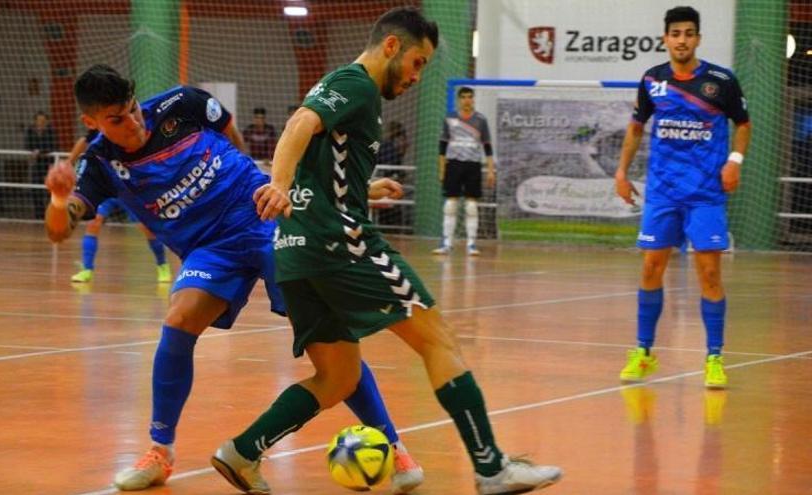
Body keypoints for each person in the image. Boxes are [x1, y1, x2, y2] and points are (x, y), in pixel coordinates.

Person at [220, 7, 562, 495]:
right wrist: (278, 181)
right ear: (391, 47)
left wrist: (364, 187)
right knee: (438, 340)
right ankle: (492, 468)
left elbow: (324, 158)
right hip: (340, 245)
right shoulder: (356, 82)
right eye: (419, 62)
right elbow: (300, 122)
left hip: (296, 254)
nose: (418, 76)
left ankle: (242, 451)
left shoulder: (356, 97)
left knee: (337, 378)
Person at [44, 64, 423, 493]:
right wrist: (59, 199)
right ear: (90, 122)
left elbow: (232, 135)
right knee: (179, 319)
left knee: (330, 340)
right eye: (117, 119)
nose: (133, 122)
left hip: (261, 218)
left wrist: (264, 181)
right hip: (211, 249)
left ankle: (395, 448)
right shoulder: (100, 163)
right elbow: (60, 230)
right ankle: (160, 452)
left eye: (132, 109)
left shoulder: (181, 104)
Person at [614, 6, 751, 388]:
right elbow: (636, 128)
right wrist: (622, 172)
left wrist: (734, 161)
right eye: (675, 33)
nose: (682, 40)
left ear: (698, 39)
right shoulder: (653, 80)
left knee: (709, 274)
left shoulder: (721, 80)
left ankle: (714, 358)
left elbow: (743, 124)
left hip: (706, 194)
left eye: (689, 33)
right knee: (650, 269)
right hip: (663, 193)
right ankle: (643, 353)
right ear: (665, 38)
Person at [432, 86, 495, 256]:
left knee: (471, 206)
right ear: (459, 99)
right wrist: (441, 169)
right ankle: (446, 243)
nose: (467, 100)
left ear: (473, 99)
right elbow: (442, 146)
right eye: (464, 97)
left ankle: (471, 244)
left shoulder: (481, 120)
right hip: (453, 164)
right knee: (451, 205)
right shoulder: (450, 118)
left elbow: (487, 146)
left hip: (473, 165)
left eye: (470, 97)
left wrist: (490, 170)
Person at [70, 197, 172, 284]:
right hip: (107, 192)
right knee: (93, 223)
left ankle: (162, 265)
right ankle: (86, 269)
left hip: (128, 192)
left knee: (146, 228)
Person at [25, 111, 58, 219]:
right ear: (35, 121)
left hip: (49, 164)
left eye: (43, 121)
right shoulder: (30, 130)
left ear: (47, 121)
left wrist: (39, 151)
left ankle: (51, 212)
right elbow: (27, 145)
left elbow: (53, 146)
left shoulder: (51, 131)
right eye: (38, 121)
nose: (40, 123)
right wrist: (33, 151)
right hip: (36, 164)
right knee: (35, 188)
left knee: (50, 189)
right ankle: (38, 213)